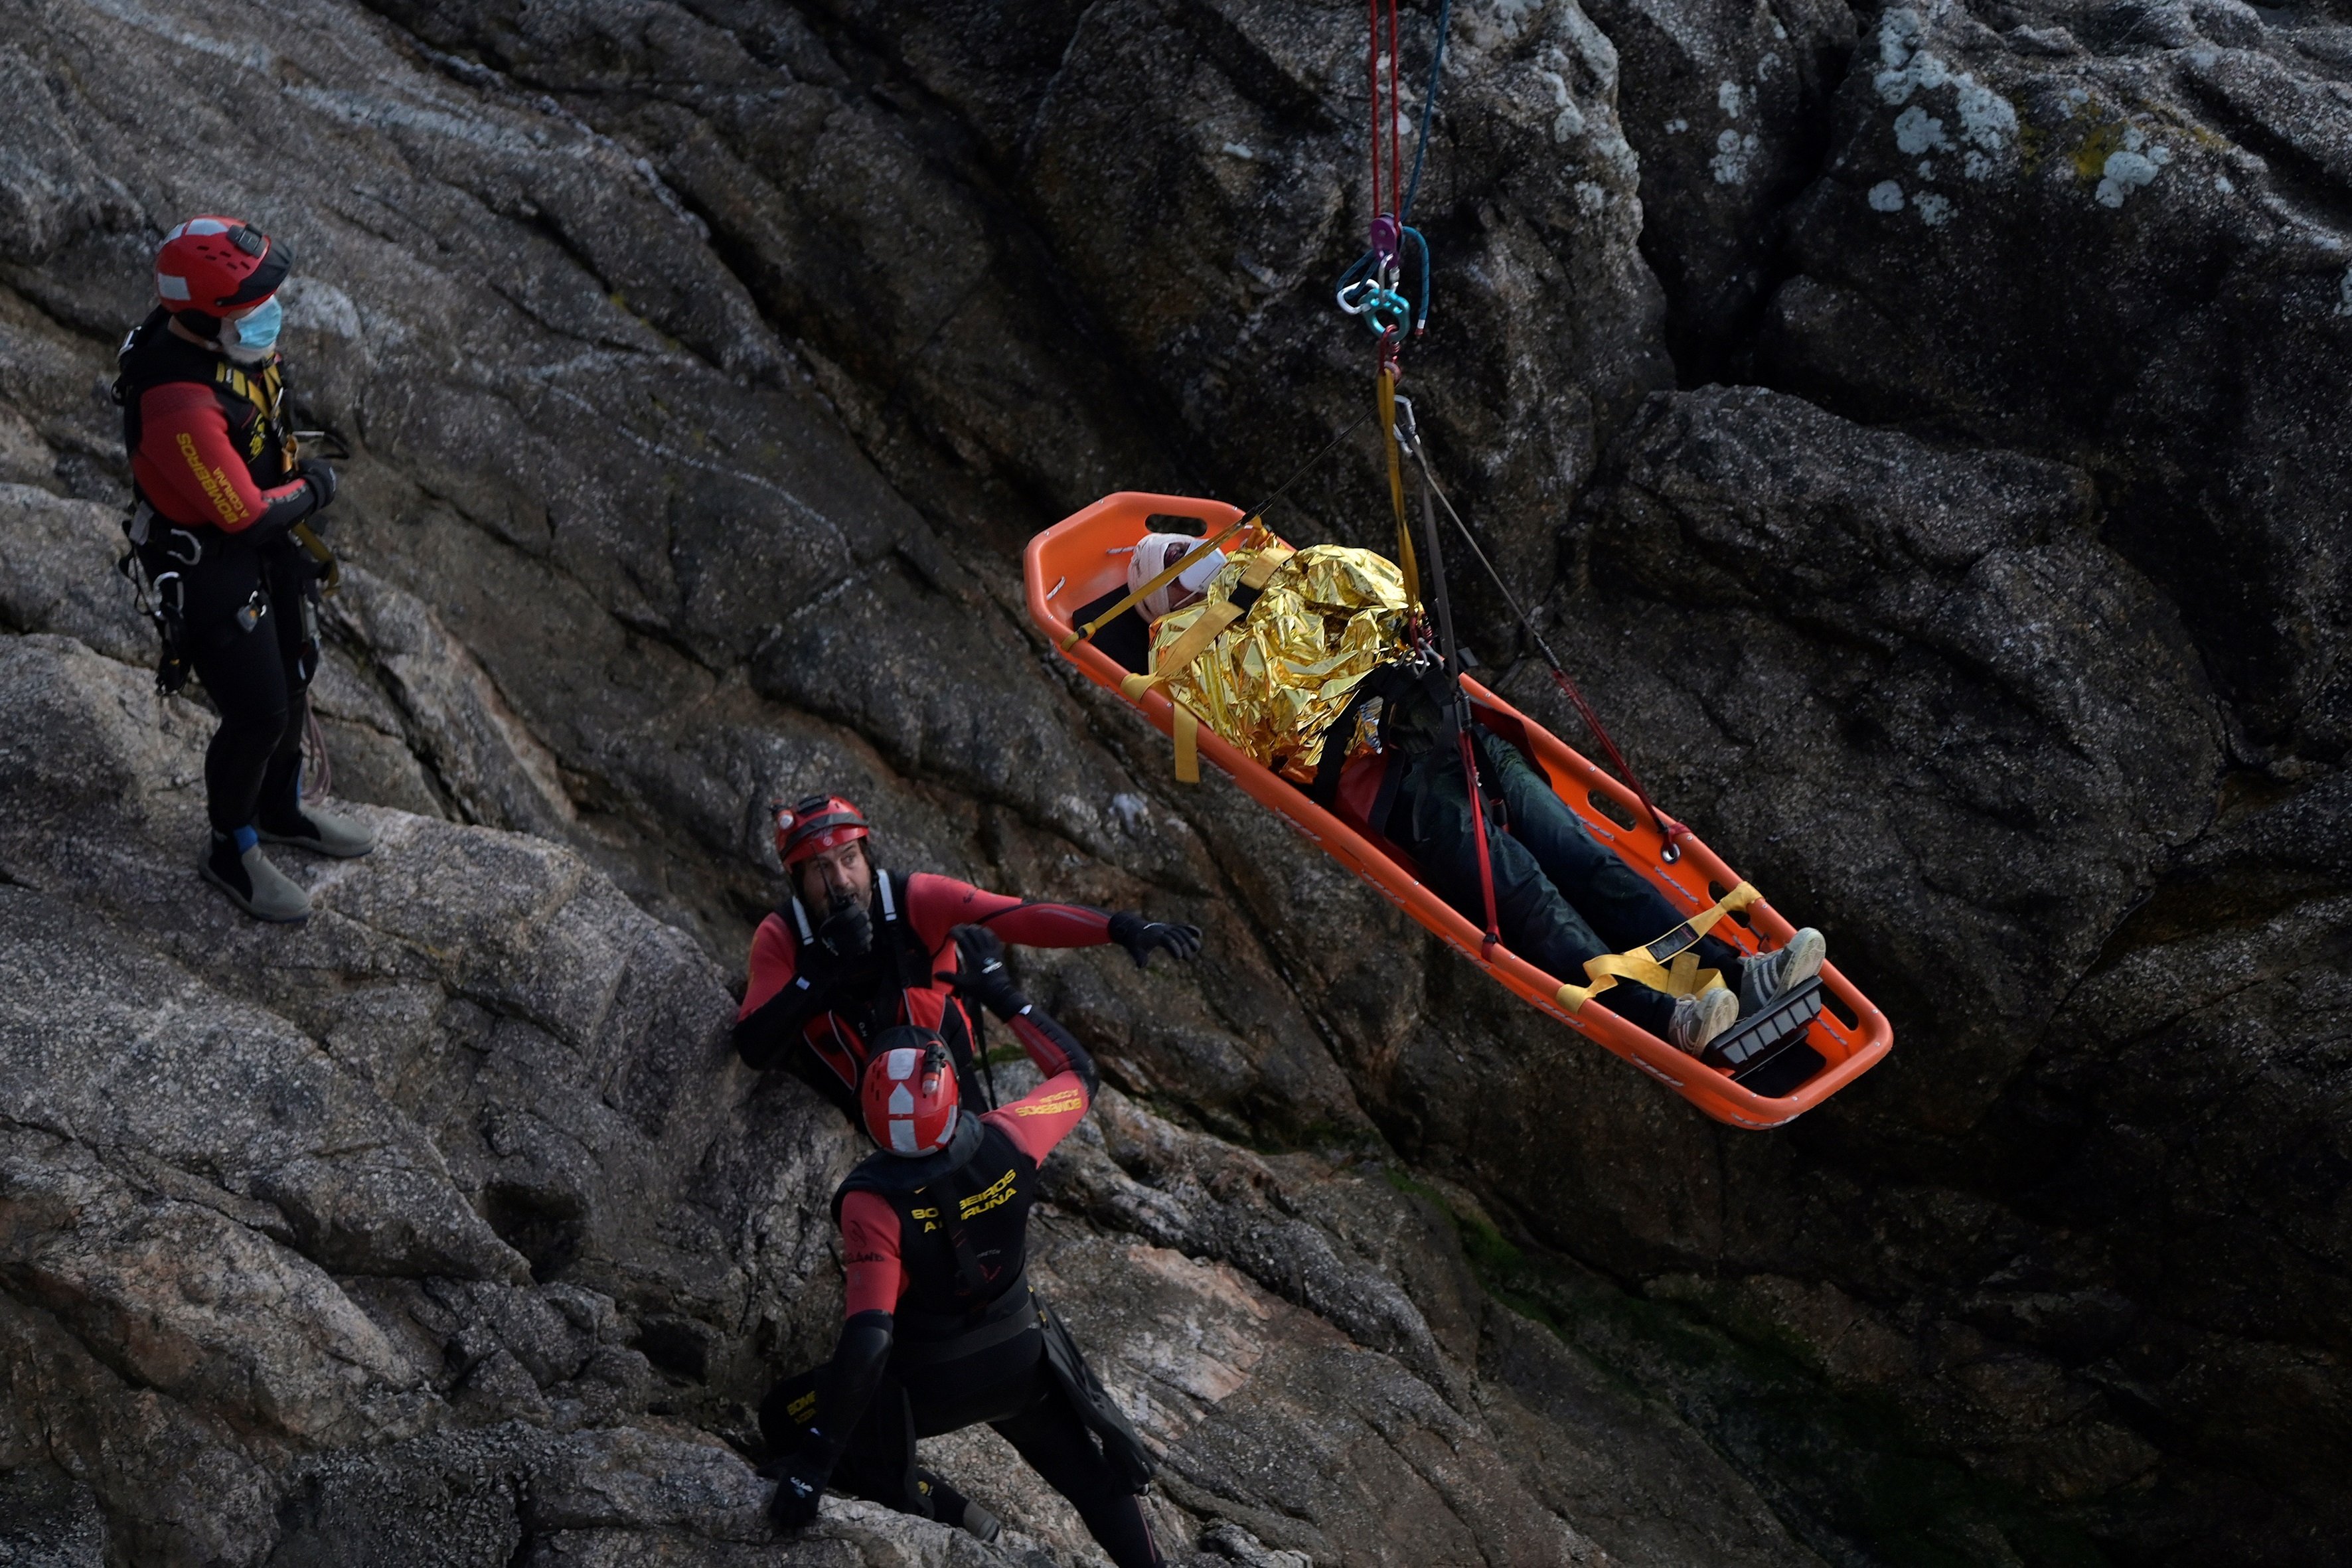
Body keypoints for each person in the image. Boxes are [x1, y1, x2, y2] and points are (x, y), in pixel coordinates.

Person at [1117, 530, 1824, 1057]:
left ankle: (1736, 974)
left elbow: (1382, 587)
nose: (1193, 555)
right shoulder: (1184, 654)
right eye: (1176, 558)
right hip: (1384, 774)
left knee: (1576, 851)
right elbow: (1234, 740)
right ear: (1164, 597)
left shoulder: (1276, 564)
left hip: (1443, 718)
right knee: (1521, 887)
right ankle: (1665, 1014)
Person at [762, 930, 1162, 1565]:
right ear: (948, 1096)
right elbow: (1077, 1072)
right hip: (1022, 1359)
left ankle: (951, 1511)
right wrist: (999, 991)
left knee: (784, 1416)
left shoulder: (871, 1201)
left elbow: (869, 1340)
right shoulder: (1012, 1135)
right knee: (1091, 1482)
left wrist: (814, 1464)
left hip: (928, 1384)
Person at [116, 216, 372, 923]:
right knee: (258, 710)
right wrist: (315, 489)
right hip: (209, 561)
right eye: (252, 304)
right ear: (204, 315)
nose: (270, 314)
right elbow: (247, 514)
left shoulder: (216, 338)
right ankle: (231, 845)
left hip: (259, 544)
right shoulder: (177, 401)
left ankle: (281, 807)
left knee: (296, 666)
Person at [732, 793, 1202, 1117]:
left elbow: (1017, 916)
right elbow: (754, 1046)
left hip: (946, 1088)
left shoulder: (914, 898)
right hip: (855, 1104)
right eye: (820, 868)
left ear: (867, 857)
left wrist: (1119, 927)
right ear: (797, 881)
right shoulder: (784, 935)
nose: (840, 880)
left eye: (849, 859)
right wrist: (818, 971)